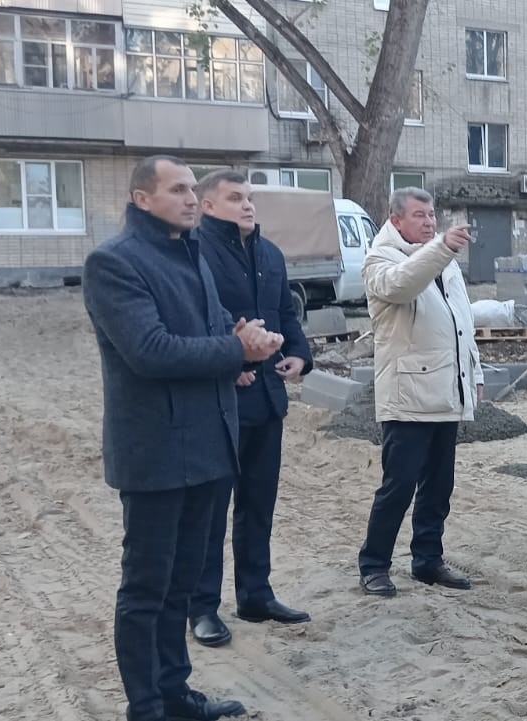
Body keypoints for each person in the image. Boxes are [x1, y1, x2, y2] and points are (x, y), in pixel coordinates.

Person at [83, 155, 282, 721]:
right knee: (147, 589)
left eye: (194, 189)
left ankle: (175, 694)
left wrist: (242, 345)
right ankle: (146, 707)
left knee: (180, 585)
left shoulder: (190, 251)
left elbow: (212, 331)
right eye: (177, 190)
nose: (192, 198)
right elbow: (150, 352)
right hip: (155, 452)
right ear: (142, 199)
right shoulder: (115, 262)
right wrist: (234, 350)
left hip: (208, 446)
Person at [189, 170, 315, 648]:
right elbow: (193, 323)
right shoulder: (195, 253)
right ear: (207, 205)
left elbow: (285, 314)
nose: (247, 205)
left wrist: (300, 355)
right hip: (219, 404)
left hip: (266, 400)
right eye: (235, 198)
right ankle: (202, 606)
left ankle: (255, 595)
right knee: (210, 511)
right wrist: (228, 363)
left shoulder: (269, 254)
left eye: (249, 197)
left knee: (258, 505)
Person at [357, 187, 485, 597]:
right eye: (419, 216)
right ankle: (374, 565)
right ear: (395, 220)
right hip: (407, 396)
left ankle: (427, 560)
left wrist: (474, 371)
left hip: (447, 388)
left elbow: (461, 321)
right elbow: (403, 285)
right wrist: (441, 248)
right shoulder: (381, 260)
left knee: (438, 487)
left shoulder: (443, 261)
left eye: (432, 215)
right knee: (399, 486)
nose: (429, 222)